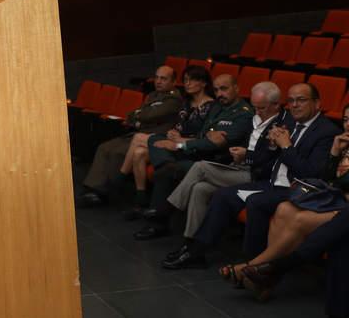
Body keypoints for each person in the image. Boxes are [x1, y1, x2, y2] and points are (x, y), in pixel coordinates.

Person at [163, 83, 340, 270]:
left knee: (255, 201)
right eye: (291, 100)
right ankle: (196, 251)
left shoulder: (326, 131)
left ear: (317, 103)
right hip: (270, 182)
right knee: (222, 195)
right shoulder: (289, 123)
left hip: (296, 189)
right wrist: (272, 145)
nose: (295, 105)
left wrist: (286, 146)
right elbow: (266, 157)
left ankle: (252, 265)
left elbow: (311, 173)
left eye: (301, 100)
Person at [220, 103, 349, 300]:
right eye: (346, 120)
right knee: (284, 208)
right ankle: (264, 281)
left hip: (344, 208)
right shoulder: (342, 142)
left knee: (298, 220)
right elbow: (326, 180)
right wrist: (334, 152)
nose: (348, 125)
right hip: (332, 199)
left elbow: (335, 182)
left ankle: (250, 269)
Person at [136, 81, 290, 242]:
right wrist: (211, 135)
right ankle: (192, 244)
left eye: (261, 108)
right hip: (234, 165)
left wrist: (244, 153)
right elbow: (220, 135)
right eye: (255, 107)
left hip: (255, 175)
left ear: (276, 104)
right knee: (199, 188)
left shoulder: (281, 125)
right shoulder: (249, 116)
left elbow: (269, 157)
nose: (257, 112)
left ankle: (166, 209)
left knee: (199, 167)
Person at [77, 65, 182, 207]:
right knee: (104, 147)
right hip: (138, 133)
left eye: (163, 78)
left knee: (117, 152)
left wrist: (139, 116)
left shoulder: (174, 99)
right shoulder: (152, 95)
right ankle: (92, 187)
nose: (158, 81)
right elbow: (133, 114)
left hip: (153, 137)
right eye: (157, 77)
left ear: (173, 82)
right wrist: (139, 116)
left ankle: (105, 191)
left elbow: (148, 115)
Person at [119, 64, 215, 218]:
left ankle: (121, 179)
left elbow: (206, 137)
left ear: (203, 83)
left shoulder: (211, 107)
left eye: (192, 80)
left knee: (139, 138)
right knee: (139, 153)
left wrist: (181, 139)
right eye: (185, 80)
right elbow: (179, 124)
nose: (187, 84)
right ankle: (141, 200)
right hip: (175, 143)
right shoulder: (187, 103)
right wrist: (174, 131)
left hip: (189, 148)